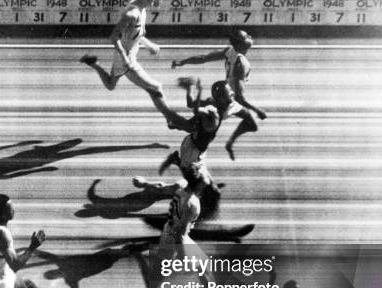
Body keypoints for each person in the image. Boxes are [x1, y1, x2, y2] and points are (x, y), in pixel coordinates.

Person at [132, 165, 232, 288]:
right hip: (174, 240)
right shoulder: (193, 204)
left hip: (171, 231)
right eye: (204, 181)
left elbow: (161, 188)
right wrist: (182, 254)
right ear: (197, 183)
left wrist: (144, 183)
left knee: (203, 265)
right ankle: (137, 255)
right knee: (154, 287)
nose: (207, 182)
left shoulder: (182, 185)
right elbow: (181, 233)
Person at [80, 0, 187, 128]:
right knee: (156, 87)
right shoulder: (132, 14)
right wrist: (125, 58)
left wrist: (149, 45)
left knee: (110, 85)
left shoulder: (141, 10)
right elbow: (114, 37)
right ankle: (171, 119)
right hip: (127, 60)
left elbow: (136, 34)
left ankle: (94, 63)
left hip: (124, 57)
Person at [171, 29, 266, 160]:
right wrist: (258, 110)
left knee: (249, 122)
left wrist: (183, 62)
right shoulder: (242, 64)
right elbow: (240, 97)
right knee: (202, 129)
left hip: (223, 94)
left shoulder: (229, 51)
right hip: (228, 101)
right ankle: (180, 124)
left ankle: (228, 143)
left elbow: (204, 58)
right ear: (240, 44)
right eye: (247, 37)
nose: (250, 37)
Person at [158, 78, 249, 202]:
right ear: (221, 98)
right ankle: (168, 184)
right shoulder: (212, 112)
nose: (233, 93)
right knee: (196, 185)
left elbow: (191, 105)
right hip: (192, 151)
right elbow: (195, 110)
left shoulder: (219, 105)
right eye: (229, 92)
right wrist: (197, 91)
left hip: (198, 149)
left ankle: (180, 164)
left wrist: (190, 89)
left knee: (209, 186)